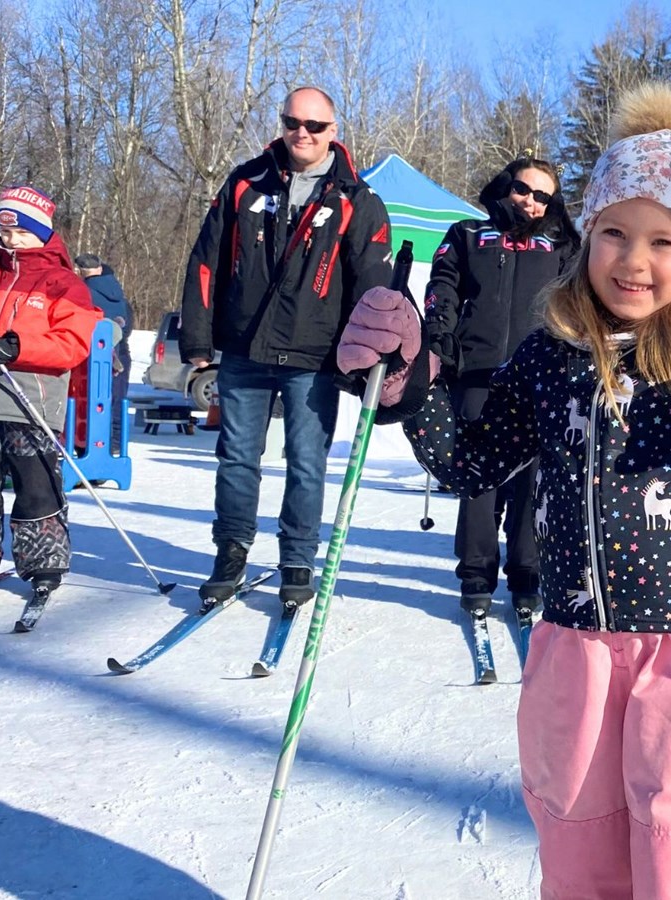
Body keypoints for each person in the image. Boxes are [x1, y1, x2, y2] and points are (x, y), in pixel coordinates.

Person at [335, 83, 671, 899]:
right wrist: (406, 384)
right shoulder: (550, 355)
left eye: (664, 240)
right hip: (576, 644)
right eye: (614, 233)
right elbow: (473, 465)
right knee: (579, 837)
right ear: (586, 237)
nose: (634, 259)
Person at [180, 86, 391, 610]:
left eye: (315, 126)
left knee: (306, 463)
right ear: (282, 124)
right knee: (236, 458)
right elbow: (204, 261)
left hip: (312, 357)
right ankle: (231, 552)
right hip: (245, 349)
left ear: (332, 133)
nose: (303, 133)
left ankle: (298, 558)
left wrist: (369, 356)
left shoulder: (356, 200)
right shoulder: (246, 183)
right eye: (293, 122)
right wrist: (199, 338)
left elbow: (372, 289)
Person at [422, 158, 578, 617]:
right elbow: (443, 287)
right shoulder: (468, 234)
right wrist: (440, 337)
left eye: (542, 195)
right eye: (522, 188)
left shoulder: (562, 245)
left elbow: (581, 303)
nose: (529, 200)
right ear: (505, 185)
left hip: (539, 376)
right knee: (479, 478)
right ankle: (476, 573)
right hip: (478, 372)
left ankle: (527, 572)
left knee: (532, 479)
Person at [0, 186, 101, 599]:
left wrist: (17, 348)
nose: (11, 240)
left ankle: (43, 562)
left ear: (42, 232)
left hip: (29, 401)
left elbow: (73, 343)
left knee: (35, 482)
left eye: (20, 231)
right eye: (4, 230)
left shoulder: (63, 282)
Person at [75, 253, 133, 453]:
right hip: (119, 349)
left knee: (90, 403)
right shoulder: (117, 292)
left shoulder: (82, 291)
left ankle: (90, 447)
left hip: (92, 353)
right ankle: (115, 442)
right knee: (115, 400)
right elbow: (127, 324)